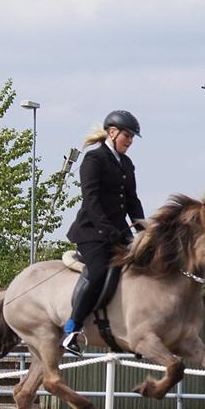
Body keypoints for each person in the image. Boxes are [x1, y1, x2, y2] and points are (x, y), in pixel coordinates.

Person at [61, 109, 146, 355]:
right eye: (126, 136)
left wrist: (144, 230)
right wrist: (109, 231)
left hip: (119, 234)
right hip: (92, 233)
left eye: (131, 137)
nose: (129, 141)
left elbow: (132, 200)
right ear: (112, 132)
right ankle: (71, 329)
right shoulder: (94, 160)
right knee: (98, 273)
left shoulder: (127, 164)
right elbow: (91, 200)